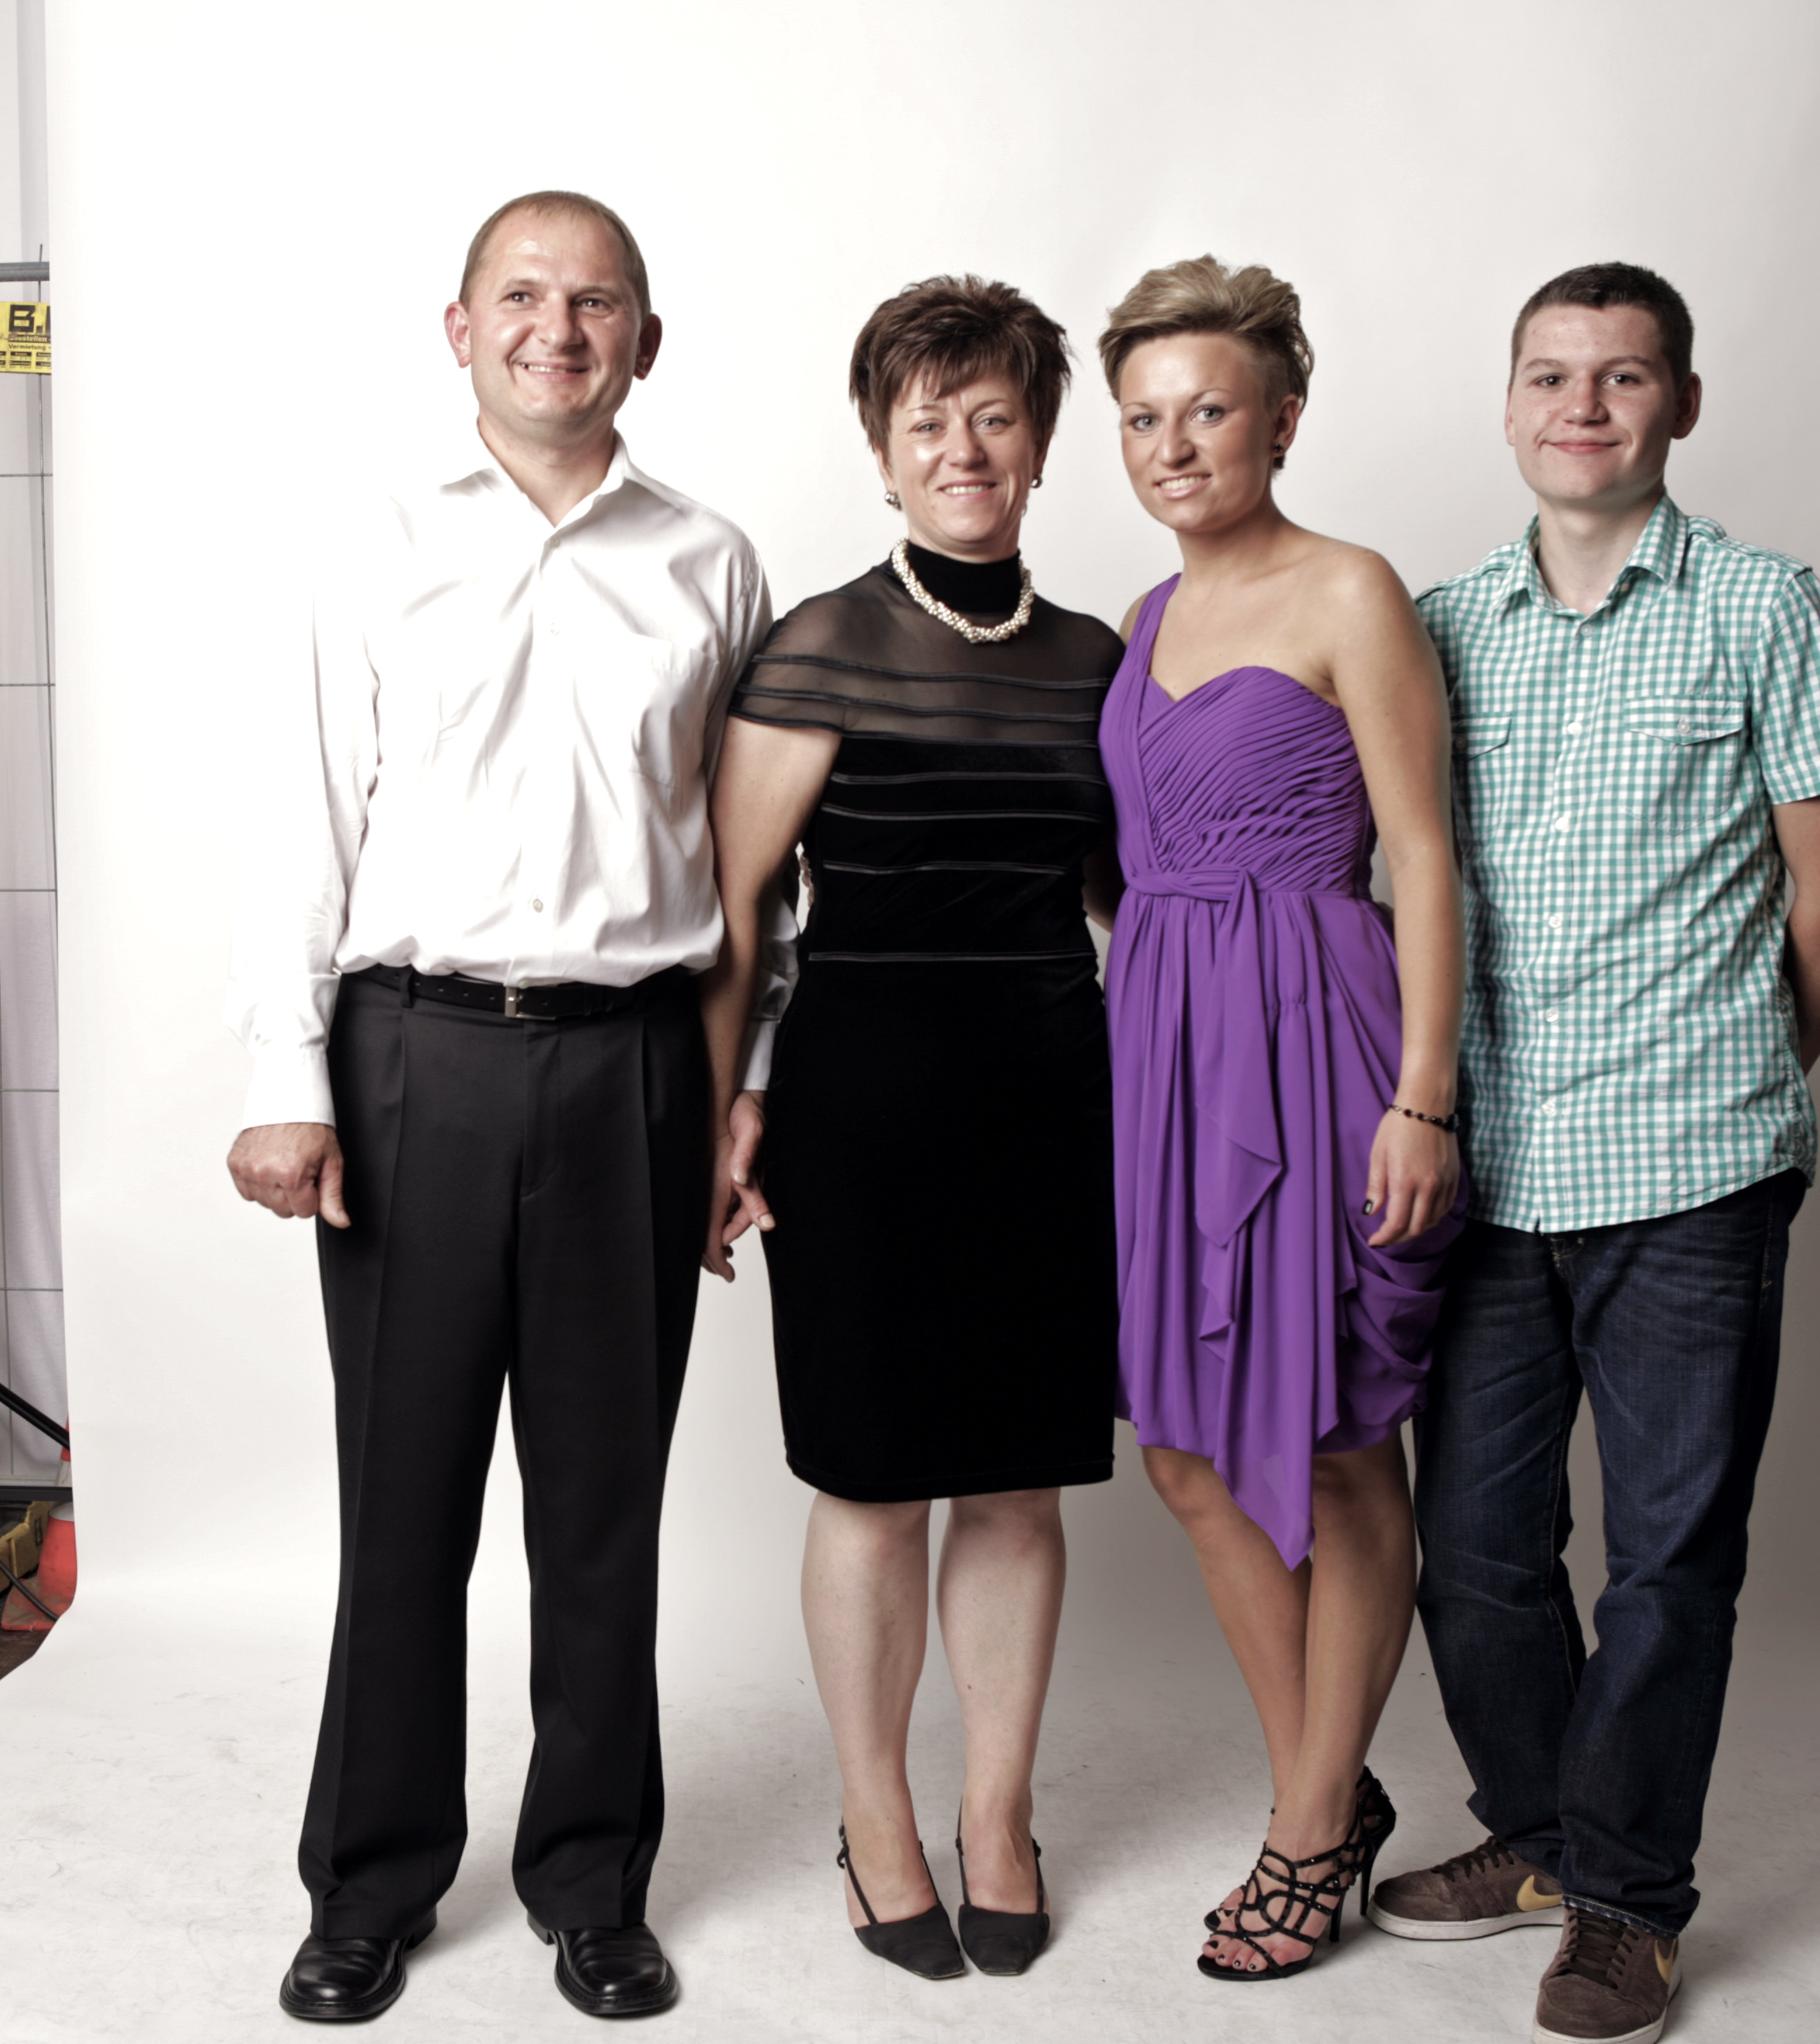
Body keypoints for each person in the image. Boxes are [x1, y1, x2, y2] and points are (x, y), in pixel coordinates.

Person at [223, 190, 771, 2026]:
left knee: (602, 1514)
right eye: (523, 295)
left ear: (645, 340)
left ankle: (592, 1883)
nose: (560, 327)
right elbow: (306, 819)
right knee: (405, 1508)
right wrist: (285, 1077)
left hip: (637, 1067)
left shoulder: (713, 562)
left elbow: (759, 864)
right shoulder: (376, 545)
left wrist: (744, 1093)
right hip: (413, 1063)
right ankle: (368, 1885)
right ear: (458, 328)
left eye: (597, 300)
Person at [1370, 263, 1820, 2044]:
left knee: (1668, 1563)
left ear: (1681, 403)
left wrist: (1737, 1078)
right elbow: (1399, 883)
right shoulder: (1440, 626)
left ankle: (1628, 1901)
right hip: (1490, 1168)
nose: (1582, 407)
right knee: (1475, 1552)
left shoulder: (1763, 604)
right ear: (1508, 403)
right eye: (1551, 375)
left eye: (1622, 376)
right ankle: (1539, 1835)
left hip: (1695, 1174)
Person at [698, 276, 1120, 1984]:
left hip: (1053, 1099)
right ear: (881, 451)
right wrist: (718, 1115)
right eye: (926, 420)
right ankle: (874, 1813)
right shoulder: (819, 641)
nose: (962, 447)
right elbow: (734, 911)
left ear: (1040, 444)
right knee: (873, 1482)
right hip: (859, 1107)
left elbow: (1126, 902)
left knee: (1018, 1480)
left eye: (994, 415)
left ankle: (998, 1812)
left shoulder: (1098, 660)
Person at [1094, 256, 1466, 1982]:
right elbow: (1130, 865)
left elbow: (1424, 856)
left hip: (1319, 1038)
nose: (1173, 446)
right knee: (1182, 1447)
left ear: (1284, 419)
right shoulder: (1139, 619)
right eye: (1143, 419)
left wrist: (1422, 1095)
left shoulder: (1351, 589)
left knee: (1334, 1432)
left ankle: (1308, 1829)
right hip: (1165, 1050)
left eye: (1209, 411)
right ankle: (1329, 1784)